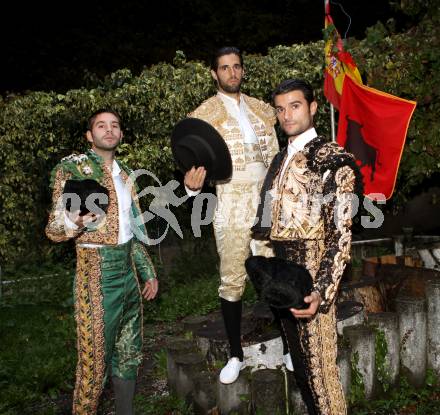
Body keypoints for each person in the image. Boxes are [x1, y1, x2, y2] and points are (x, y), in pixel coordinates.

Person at [252, 79, 362, 414]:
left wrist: (322, 290)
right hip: (285, 270)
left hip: (314, 269)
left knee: (322, 377)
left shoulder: (333, 159)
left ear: (313, 108)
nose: (287, 115)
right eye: (281, 108)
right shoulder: (280, 158)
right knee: (302, 371)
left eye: (295, 106)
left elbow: (340, 235)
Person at [183, 46, 291, 384]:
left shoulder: (263, 109)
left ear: (242, 70)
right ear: (214, 74)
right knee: (232, 278)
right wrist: (191, 187)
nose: (232, 73)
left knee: (274, 273)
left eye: (237, 67)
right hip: (230, 200)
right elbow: (193, 164)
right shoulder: (203, 114)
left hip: (266, 198)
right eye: (225, 68)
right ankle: (234, 354)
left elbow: (280, 156)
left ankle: (289, 347)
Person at [46, 109, 158, 415]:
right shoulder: (73, 169)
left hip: (128, 277)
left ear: (121, 135)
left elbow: (131, 231)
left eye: (115, 126)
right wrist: (75, 222)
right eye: (100, 125)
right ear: (89, 135)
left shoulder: (126, 176)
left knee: (129, 354)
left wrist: (148, 272)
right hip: (95, 276)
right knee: (94, 365)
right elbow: (54, 231)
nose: (109, 130)